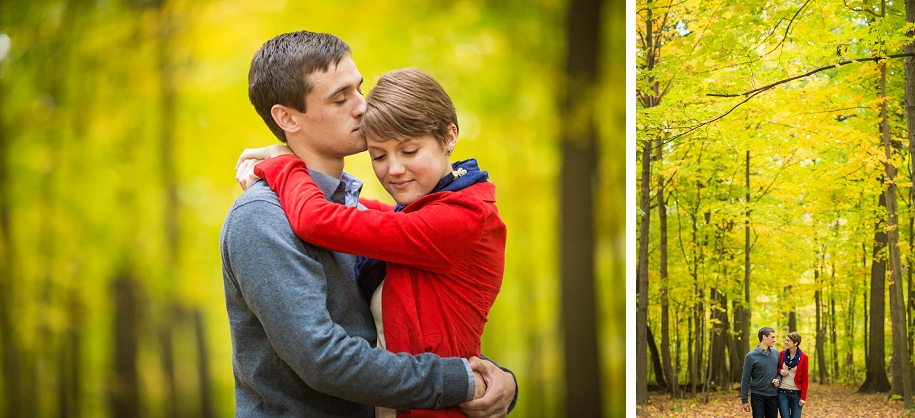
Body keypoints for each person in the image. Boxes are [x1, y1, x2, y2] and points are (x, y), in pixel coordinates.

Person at [221, 30, 516, 418]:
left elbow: (409, 328)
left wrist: (500, 380)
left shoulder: (354, 209)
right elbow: (324, 359)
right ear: (287, 117)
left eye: (359, 90)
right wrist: (463, 380)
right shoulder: (262, 217)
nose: (363, 107)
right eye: (341, 98)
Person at [741, 327, 781, 418]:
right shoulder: (750, 356)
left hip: (773, 395)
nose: (774, 340)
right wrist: (744, 400)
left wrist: (778, 379)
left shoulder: (776, 353)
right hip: (757, 396)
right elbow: (745, 379)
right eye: (772, 337)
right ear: (764, 337)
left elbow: (779, 371)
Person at [777, 332, 808, 418]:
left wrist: (803, 398)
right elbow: (776, 368)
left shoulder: (804, 357)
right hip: (782, 392)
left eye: (788, 340)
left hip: (797, 394)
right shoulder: (782, 354)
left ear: (795, 343)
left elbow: (805, 378)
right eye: (785, 340)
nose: (785, 342)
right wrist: (780, 371)